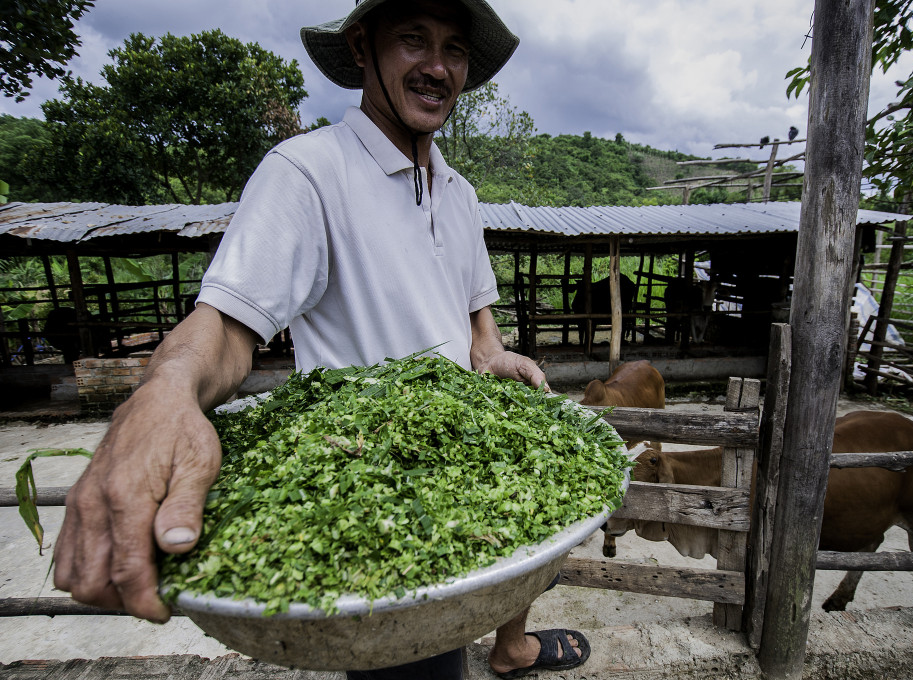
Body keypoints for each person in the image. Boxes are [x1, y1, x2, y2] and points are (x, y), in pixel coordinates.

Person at [52, 1, 590, 678]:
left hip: (456, 464)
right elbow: (226, 323)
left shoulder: (459, 192)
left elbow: (477, 324)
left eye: (454, 50)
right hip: (374, 495)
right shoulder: (307, 172)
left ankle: (509, 648)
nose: (436, 66)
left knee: (515, 551)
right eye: (414, 41)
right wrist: (166, 389)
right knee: (413, 662)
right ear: (363, 47)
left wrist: (493, 354)